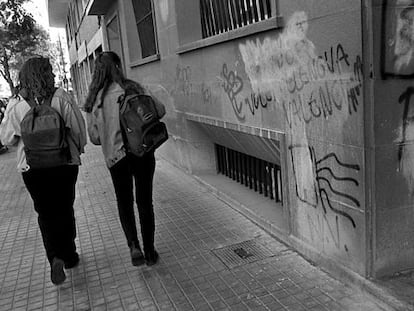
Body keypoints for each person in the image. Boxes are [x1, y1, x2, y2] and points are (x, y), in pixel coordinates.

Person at [0, 56, 87, 285]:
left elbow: (7, 139)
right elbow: (77, 130)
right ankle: (69, 255)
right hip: (64, 164)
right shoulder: (61, 97)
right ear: (49, 73)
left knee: (45, 213)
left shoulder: (17, 103)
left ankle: (54, 257)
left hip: (32, 168)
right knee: (65, 207)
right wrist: (77, 149)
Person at [84, 51, 164, 267]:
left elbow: (95, 138)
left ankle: (133, 246)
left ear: (97, 72)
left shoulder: (95, 99)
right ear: (118, 66)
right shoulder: (134, 88)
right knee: (145, 201)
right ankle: (150, 251)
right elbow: (160, 110)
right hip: (143, 152)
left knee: (124, 202)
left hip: (116, 157)